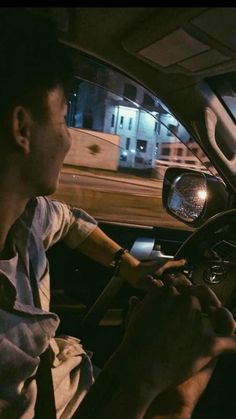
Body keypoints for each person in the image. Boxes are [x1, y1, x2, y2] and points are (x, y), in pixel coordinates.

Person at [0, 8, 236, 419]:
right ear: (22, 129)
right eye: (61, 118)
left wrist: (127, 266)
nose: (70, 138)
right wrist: (146, 373)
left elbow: (71, 224)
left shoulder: (27, 215)